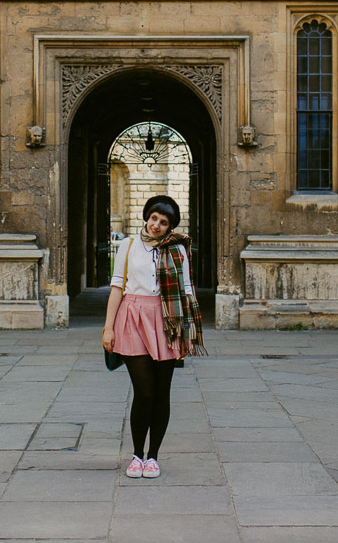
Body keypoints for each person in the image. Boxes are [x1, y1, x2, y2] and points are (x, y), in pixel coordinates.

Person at [102, 194, 206, 479]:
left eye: (164, 222)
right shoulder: (128, 245)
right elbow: (116, 288)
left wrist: (187, 335)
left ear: (170, 227)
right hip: (133, 318)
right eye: (154, 218)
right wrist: (108, 327)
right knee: (144, 391)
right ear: (146, 217)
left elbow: (186, 291)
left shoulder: (178, 251)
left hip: (167, 321)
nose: (156, 225)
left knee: (162, 393)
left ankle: (153, 457)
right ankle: (137, 454)